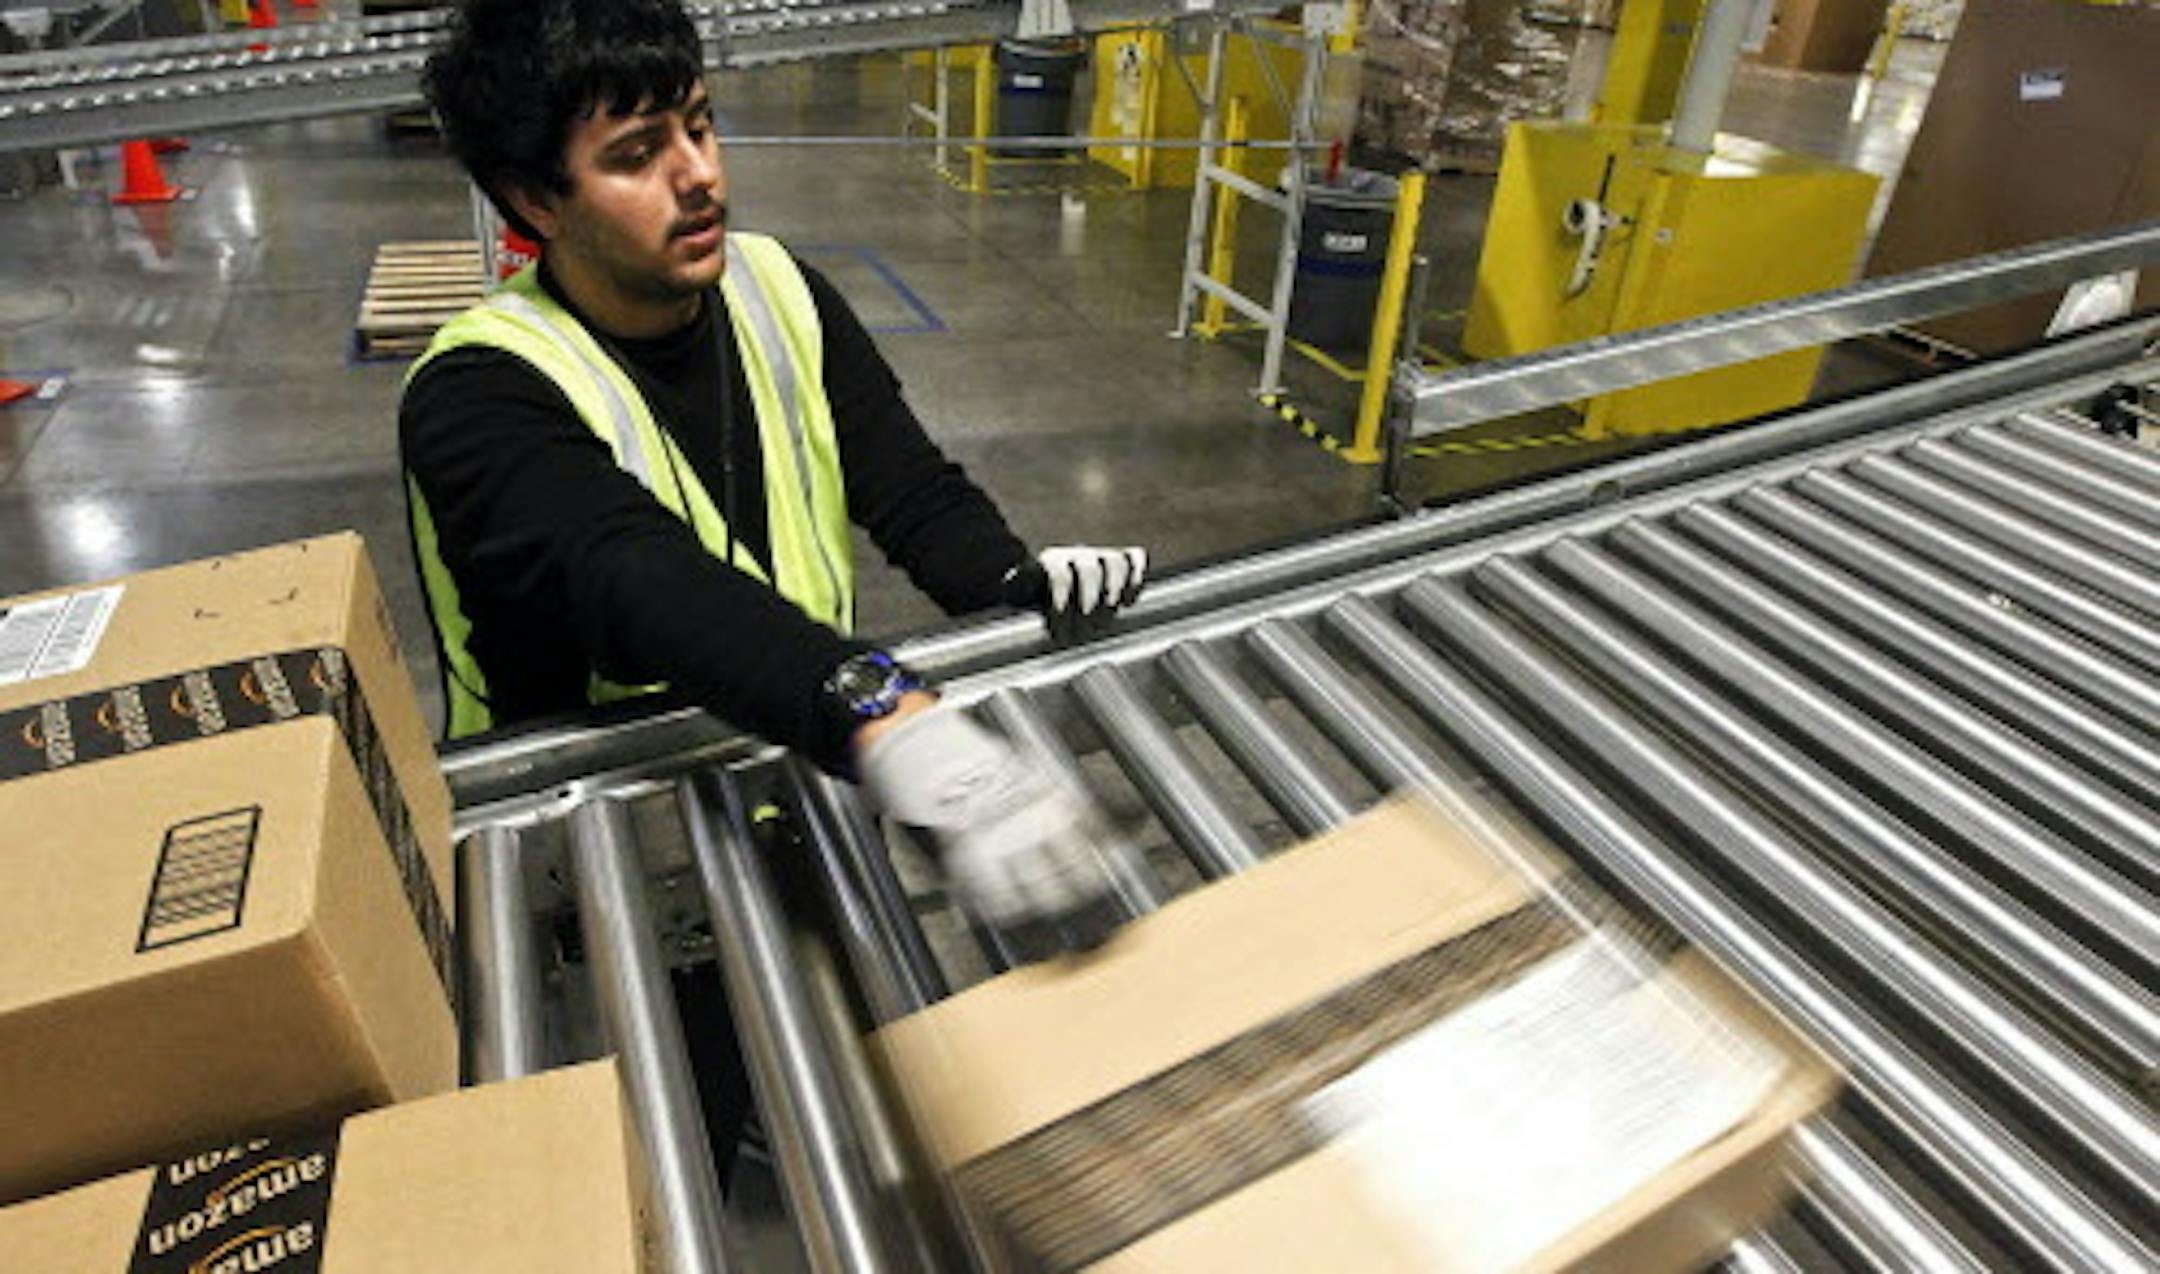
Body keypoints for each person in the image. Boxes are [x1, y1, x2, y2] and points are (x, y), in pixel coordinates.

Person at [403, 0, 1144, 960]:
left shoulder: (775, 287)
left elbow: (907, 486)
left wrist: (1010, 582)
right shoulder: (476, 392)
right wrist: (882, 712)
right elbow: (630, 574)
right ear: (536, 201)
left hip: (798, 771)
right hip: (611, 851)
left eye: (700, 125)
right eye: (636, 156)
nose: (699, 175)